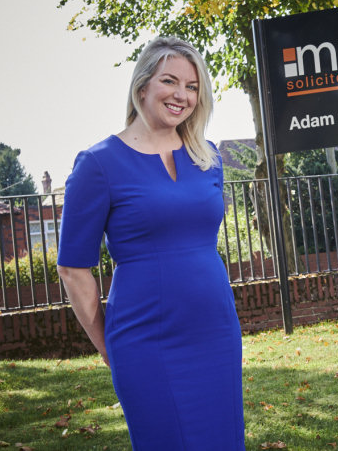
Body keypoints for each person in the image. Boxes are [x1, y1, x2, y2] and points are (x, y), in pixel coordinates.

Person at [56, 36, 244, 450]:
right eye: (169, 81)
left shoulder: (208, 158)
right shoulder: (98, 164)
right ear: (142, 86)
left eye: (192, 86)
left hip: (215, 331)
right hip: (144, 340)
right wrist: (108, 346)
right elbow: (72, 267)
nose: (181, 95)